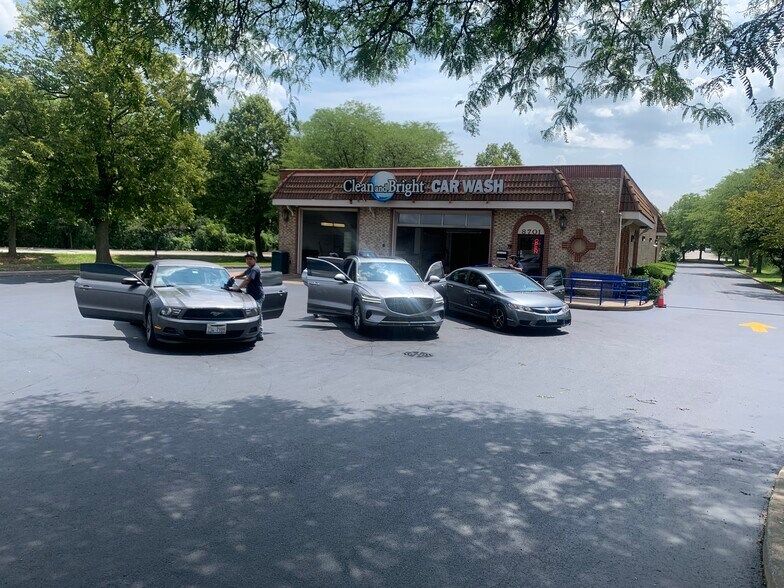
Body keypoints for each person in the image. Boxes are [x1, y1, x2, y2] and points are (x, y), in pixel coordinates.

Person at [232, 251, 264, 341]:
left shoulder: (255, 269)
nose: (248, 260)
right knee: (254, 313)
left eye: (250, 259)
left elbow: (247, 280)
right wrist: (235, 276)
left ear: (255, 260)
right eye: (247, 259)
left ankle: (260, 333)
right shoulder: (250, 268)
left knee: (258, 314)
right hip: (250, 295)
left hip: (257, 296)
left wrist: (237, 288)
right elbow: (244, 273)